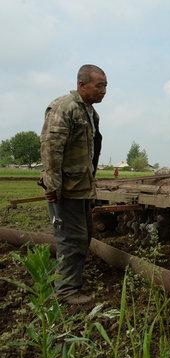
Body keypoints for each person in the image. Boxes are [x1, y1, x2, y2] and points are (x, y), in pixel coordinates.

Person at [40, 64, 107, 304]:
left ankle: (70, 281)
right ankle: (66, 291)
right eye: (99, 86)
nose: (104, 91)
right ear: (82, 85)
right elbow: (51, 147)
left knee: (83, 236)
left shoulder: (90, 112)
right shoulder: (64, 107)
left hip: (81, 187)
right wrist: (52, 185)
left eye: (106, 86)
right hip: (65, 189)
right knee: (71, 239)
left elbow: (90, 153)